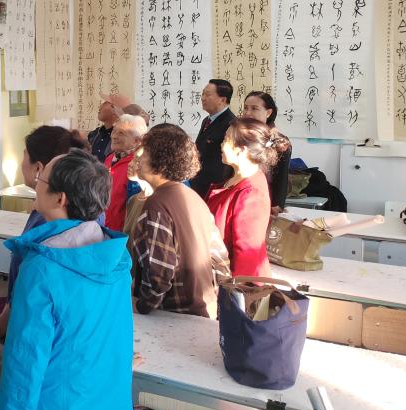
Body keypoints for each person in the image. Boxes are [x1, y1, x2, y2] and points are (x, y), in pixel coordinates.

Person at [0, 149, 134, 410]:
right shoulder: (113, 255)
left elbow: (24, 363)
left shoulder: (42, 269)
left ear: (60, 199)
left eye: (41, 180)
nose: (35, 183)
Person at [0, 125, 89, 339]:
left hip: (37, 327)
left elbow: (29, 289)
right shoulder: (81, 214)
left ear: (39, 169)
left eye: (24, 156)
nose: (20, 163)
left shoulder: (46, 223)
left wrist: (1, 324)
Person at [129, 124, 231, 318]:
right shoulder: (193, 197)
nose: (139, 160)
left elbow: (160, 274)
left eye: (144, 154)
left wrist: (143, 305)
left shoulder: (156, 205)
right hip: (204, 308)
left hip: (174, 313)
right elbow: (220, 259)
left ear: (160, 162)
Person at [207, 118, 290, 277]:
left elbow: (247, 251)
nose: (221, 145)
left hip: (233, 280)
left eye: (226, 140)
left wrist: (236, 287)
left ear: (242, 150)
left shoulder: (251, 192)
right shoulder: (235, 179)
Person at [242, 91, 293, 213]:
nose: (248, 113)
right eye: (246, 108)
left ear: (268, 113)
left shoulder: (279, 141)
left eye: (254, 108)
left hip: (262, 199)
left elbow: (281, 178)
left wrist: (277, 205)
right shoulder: (238, 135)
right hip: (240, 196)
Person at [190, 79, 236, 198]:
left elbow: (226, 165)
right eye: (203, 94)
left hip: (213, 188)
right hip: (198, 183)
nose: (203, 98)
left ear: (223, 99)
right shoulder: (207, 120)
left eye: (208, 94)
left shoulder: (231, 124)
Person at [104, 114, 148, 230]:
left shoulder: (139, 165)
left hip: (123, 233)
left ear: (137, 141)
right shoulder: (109, 158)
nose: (114, 136)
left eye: (121, 133)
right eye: (114, 131)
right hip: (104, 228)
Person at [86, 93, 128, 162]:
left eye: (106, 103)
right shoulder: (94, 134)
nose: (101, 106)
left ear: (116, 110)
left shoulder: (123, 139)